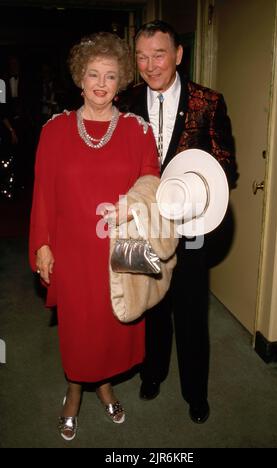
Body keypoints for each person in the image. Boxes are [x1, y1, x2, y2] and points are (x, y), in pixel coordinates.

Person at [29, 32, 159, 441]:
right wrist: (43, 245)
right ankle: (74, 390)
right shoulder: (54, 131)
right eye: (92, 74)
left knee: (110, 325)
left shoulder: (139, 132)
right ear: (79, 78)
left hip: (119, 250)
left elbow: (152, 185)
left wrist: (134, 206)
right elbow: (43, 195)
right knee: (78, 326)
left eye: (110, 76)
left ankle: (103, 385)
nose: (100, 84)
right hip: (72, 251)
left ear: (121, 82)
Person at [118, 20, 238, 424]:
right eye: (142, 56)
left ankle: (195, 393)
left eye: (159, 54)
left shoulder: (208, 101)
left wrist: (194, 194)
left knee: (190, 314)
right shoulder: (126, 100)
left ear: (178, 55)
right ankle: (152, 374)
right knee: (150, 305)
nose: (150, 65)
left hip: (191, 227)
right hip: (141, 226)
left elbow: (227, 168)